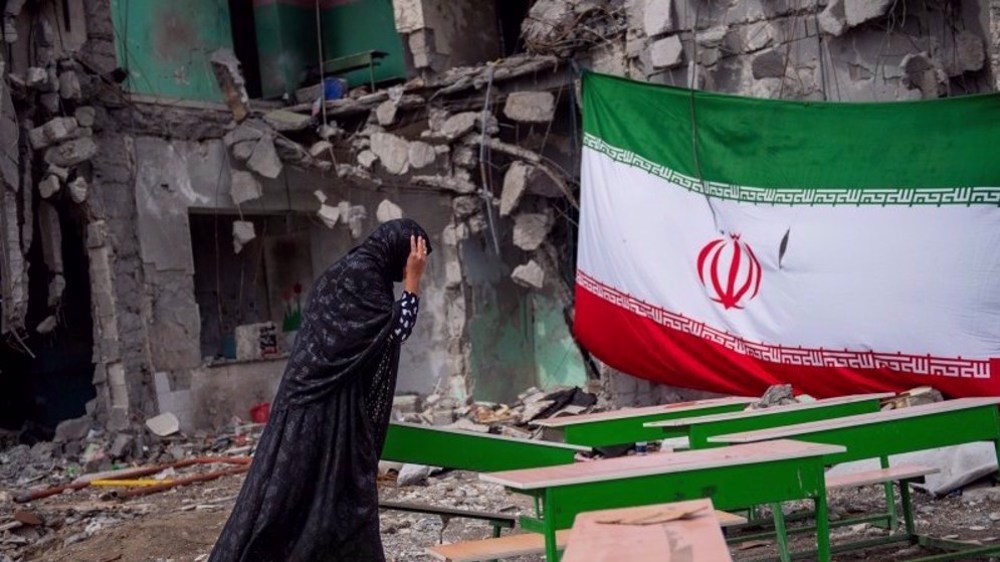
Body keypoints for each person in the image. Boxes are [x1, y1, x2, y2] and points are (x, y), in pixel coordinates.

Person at [209, 218, 431, 562]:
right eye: (410, 262)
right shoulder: (361, 277)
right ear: (400, 252)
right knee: (291, 503)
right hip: (318, 409)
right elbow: (397, 330)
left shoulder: (359, 273)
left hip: (328, 406)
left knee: (333, 500)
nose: (407, 272)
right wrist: (413, 284)